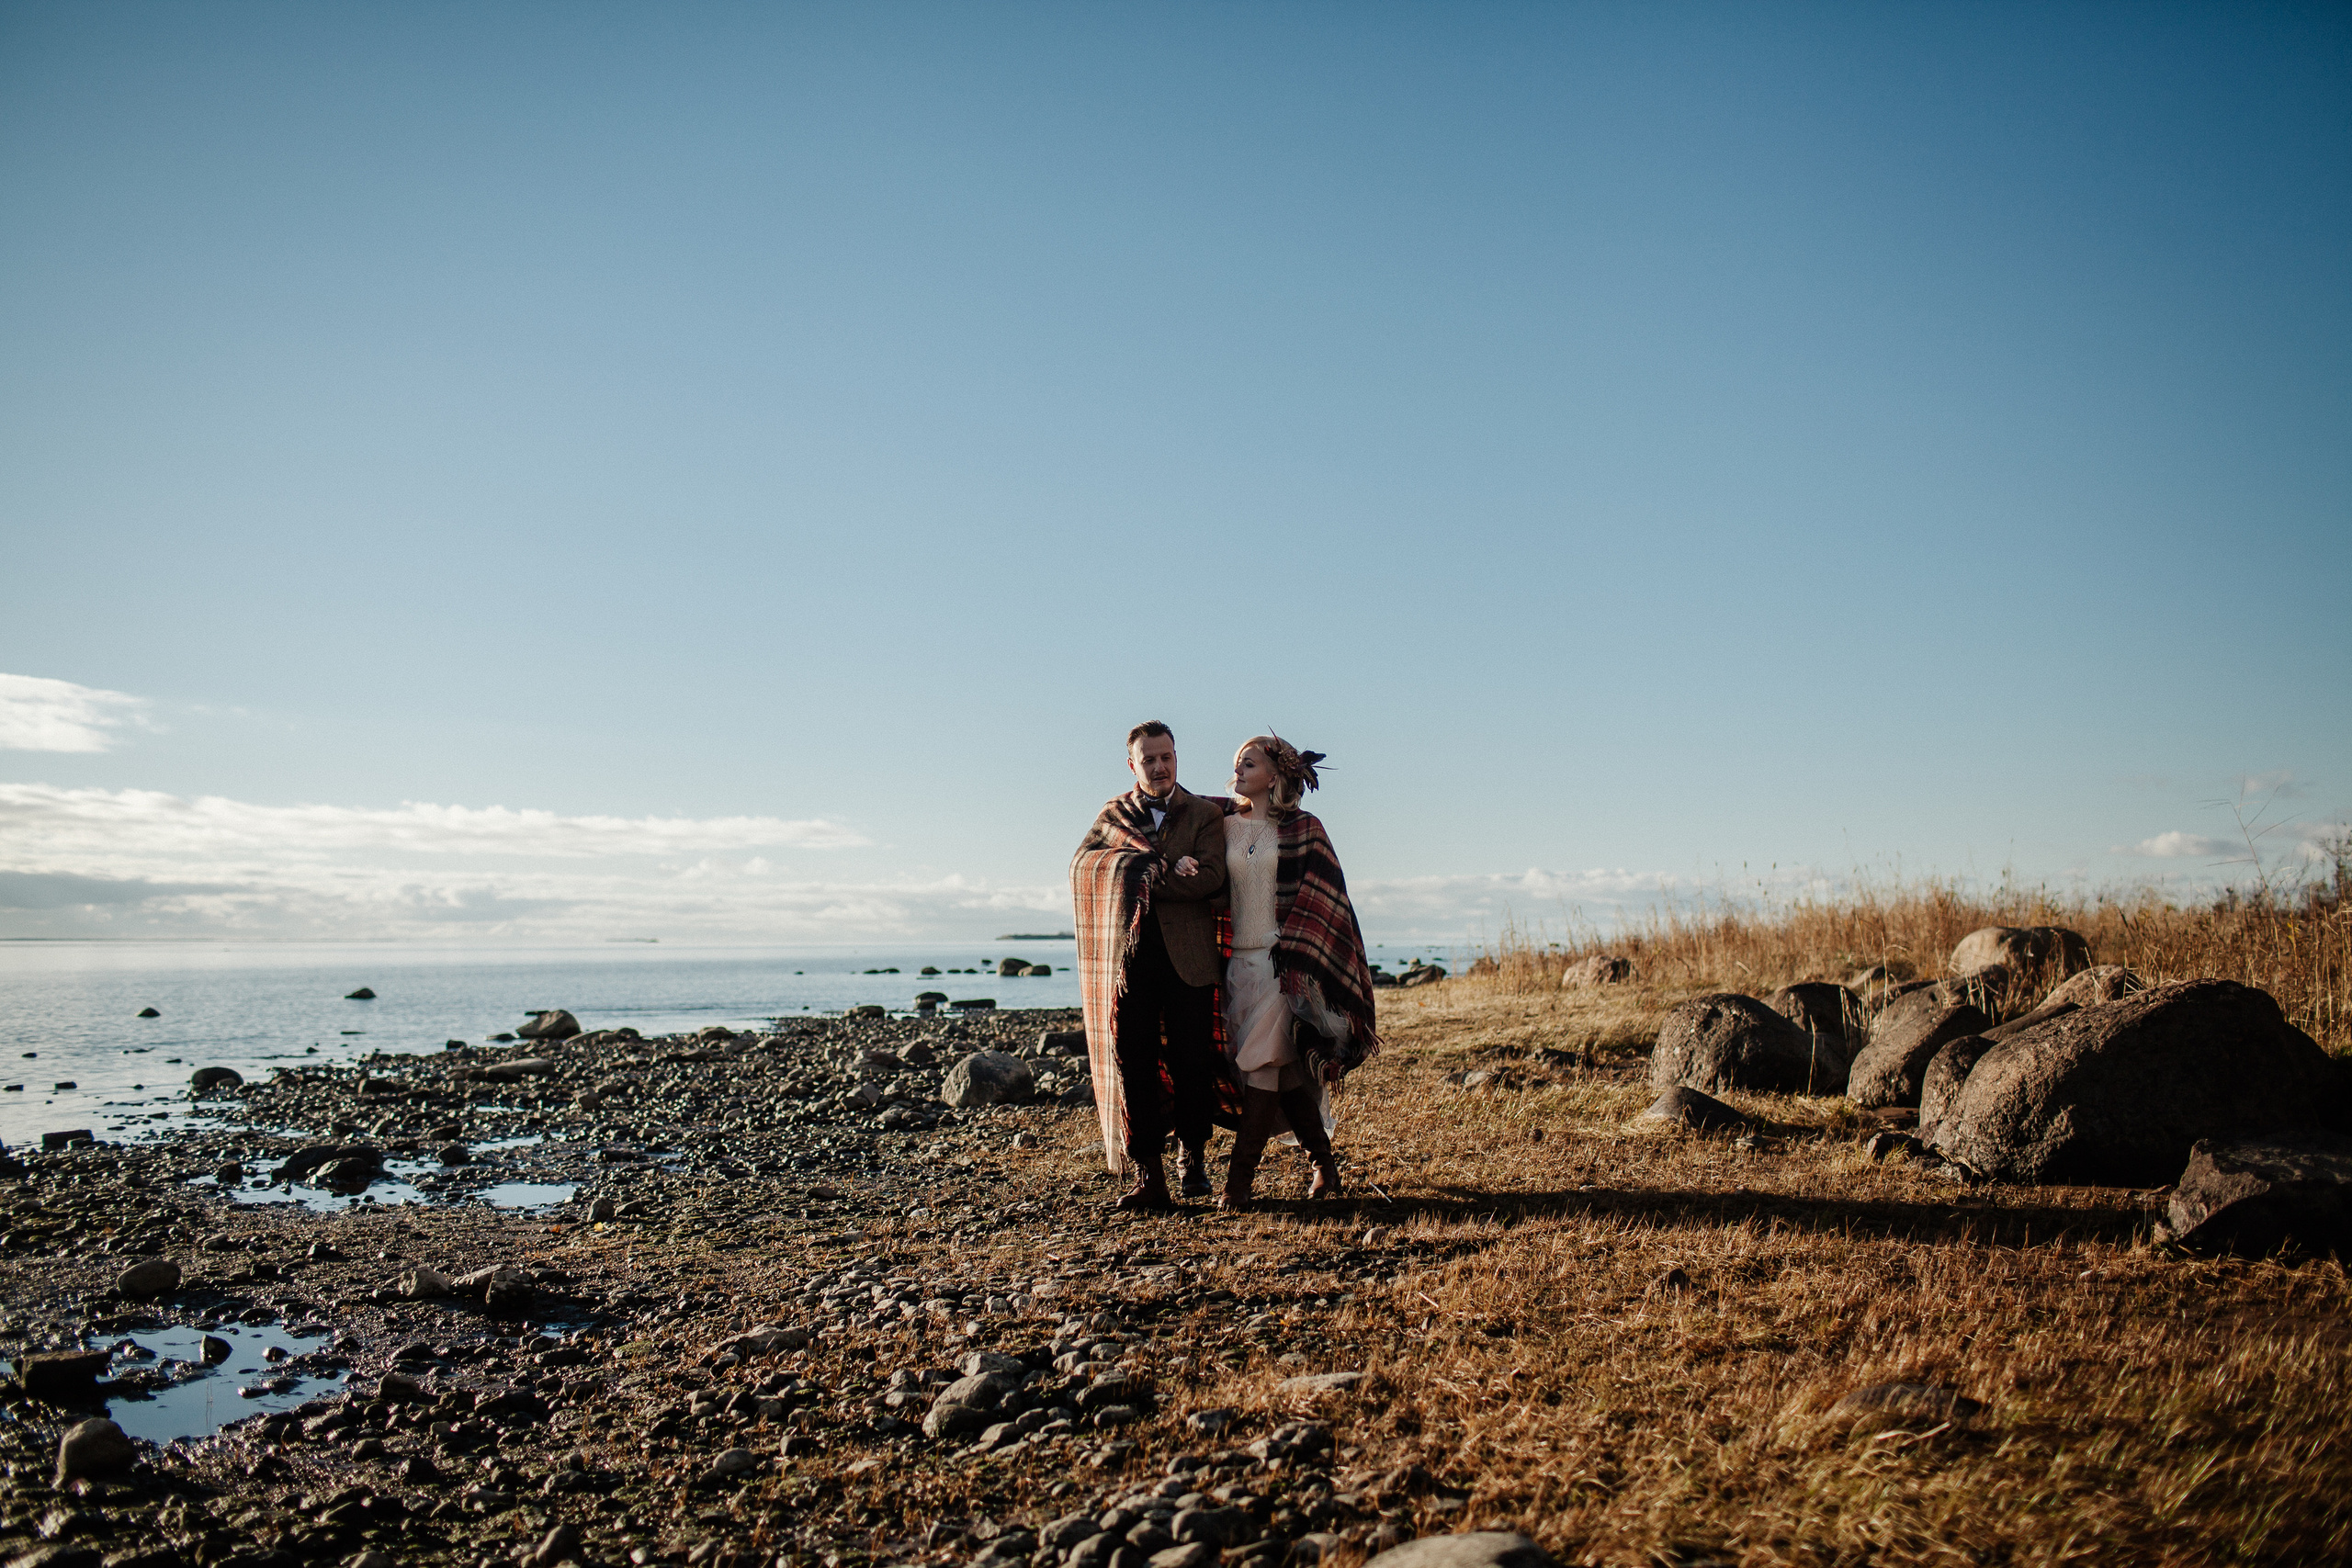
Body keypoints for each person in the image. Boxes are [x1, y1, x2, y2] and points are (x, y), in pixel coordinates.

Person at [1069, 720, 1231, 1211]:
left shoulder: (1204, 813)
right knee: (1133, 1064)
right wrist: (1155, 868)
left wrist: (1143, 877)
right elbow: (1084, 867)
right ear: (1132, 765)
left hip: (1190, 960)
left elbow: (1211, 877)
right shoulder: (1113, 815)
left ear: (1176, 757)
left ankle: (1193, 1158)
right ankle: (1149, 1177)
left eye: (1167, 757)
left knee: (1192, 1063)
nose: (1160, 767)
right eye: (1149, 760)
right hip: (1129, 962)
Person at [1217, 733, 1381, 1210]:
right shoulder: (1222, 825)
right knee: (1282, 1071)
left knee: (1262, 1063)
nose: (1238, 770)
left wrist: (1305, 953)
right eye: (1236, 763)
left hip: (1282, 966)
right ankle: (1324, 1166)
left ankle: (1238, 1182)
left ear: (1274, 776)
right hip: (1238, 966)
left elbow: (1329, 897)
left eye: (1248, 763)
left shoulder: (1305, 828)